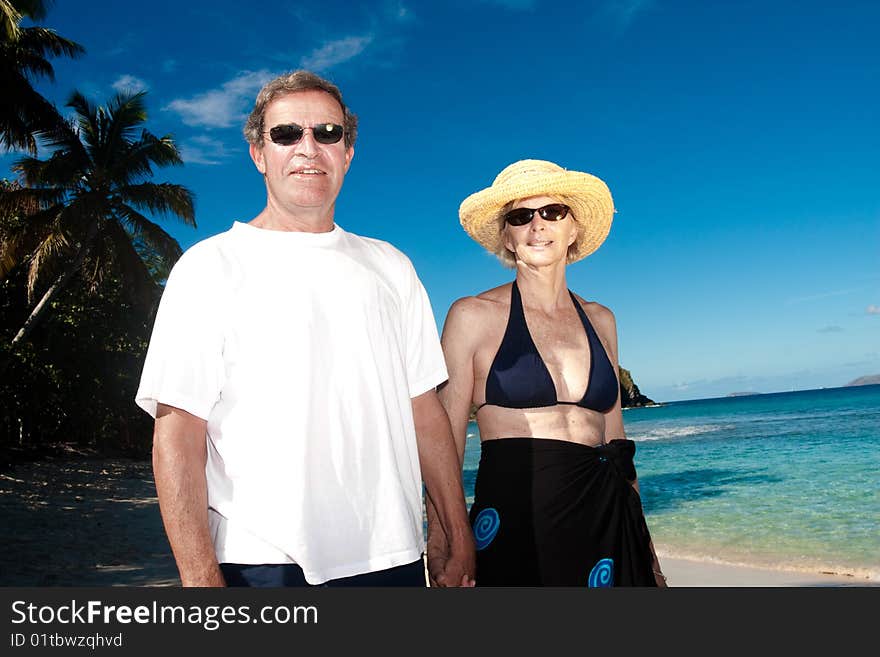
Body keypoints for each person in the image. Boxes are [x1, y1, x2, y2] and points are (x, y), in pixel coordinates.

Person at [135, 70, 475, 587]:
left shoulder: (391, 267)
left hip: (394, 556)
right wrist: (200, 578)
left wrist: (455, 530)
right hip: (262, 563)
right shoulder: (210, 267)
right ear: (258, 154)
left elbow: (423, 411)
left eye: (327, 133)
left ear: (348, 152)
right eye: (287, 134)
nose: (308, 148)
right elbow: (178, 431)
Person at [428, 159, 666, 586]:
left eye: (553, 212)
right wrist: (445, 538)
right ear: (508, 237)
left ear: (573, 229)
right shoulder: (472, 316)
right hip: (517, 517)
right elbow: (442, 439)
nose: (538, 225)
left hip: (606, 518)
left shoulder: (601, 320)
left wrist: (645, 548)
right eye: (521, 217)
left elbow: (616, 441)